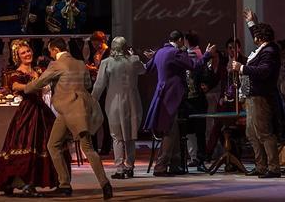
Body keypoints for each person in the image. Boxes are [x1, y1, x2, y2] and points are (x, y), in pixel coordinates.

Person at [19, 37, 112, 200]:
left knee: (87, 148)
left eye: (50, 50)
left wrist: (25, 88)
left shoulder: (56, 64)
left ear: (55, 50)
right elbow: (87, 84)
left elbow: (40, 82)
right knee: (53, 145)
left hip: (72, 110)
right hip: (74, 109)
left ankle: (105, 184)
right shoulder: (80, 63)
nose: (50, 53)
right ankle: (64, 185)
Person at [0, 40, 60, 197]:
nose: (27, 54)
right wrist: (34, 85)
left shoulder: (38, 70)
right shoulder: (16, 74)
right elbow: (16, 87)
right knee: (24, 144)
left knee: (45, 145)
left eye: (28, 51)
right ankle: (23, 182)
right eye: (23, 53)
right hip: (28, 112)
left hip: (42, 111)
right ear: (17, 57)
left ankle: (28, 182)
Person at [143, 30, 214, 176]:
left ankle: (175, 165)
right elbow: (194, 65)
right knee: (170, 131)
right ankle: (160, 167)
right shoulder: (175, 53)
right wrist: (207, 54)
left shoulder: (160, 52)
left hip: (161, 95)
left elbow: (148, 68)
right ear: (180, 40)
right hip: (171, 96)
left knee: (174, 130)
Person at [230, 9, 282, 178]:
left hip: (261, 97)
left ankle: (273, 168)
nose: (254, 38)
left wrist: (242, 68)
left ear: (260, 38)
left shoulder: (269, 51)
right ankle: (261, 166)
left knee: (264, 133)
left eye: (256, 36)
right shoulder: (264, 47)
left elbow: (264, 71)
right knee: (251, 133)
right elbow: (257, 34)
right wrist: (251, 22)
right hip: (253, 96)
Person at [91, 36, 146, 180]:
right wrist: (134, 56)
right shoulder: (134, 60)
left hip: (114, 102)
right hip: (133, 101)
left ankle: (120, 168)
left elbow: (99, 85)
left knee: (117, 137)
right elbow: (143, 70)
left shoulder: (107, 62)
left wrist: (92, 100)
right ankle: (130, 166)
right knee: (131, 135)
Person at [182, 30, 208, 170]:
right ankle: (196, 158)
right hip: (194, 97)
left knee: (197, 131)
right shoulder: (199, 54)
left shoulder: (193, 54)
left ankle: (198, 158)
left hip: (194, 97)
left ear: (187, 41)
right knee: (195, 131)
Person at [86, 31, 111, 155]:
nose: (94, 46)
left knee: (105, 118)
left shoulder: (109, 53)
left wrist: (94, 69)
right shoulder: (95, 53)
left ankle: (106, 147)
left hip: (105, 89)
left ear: (102, 41)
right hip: (95, 86)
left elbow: (108, 71)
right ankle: (94, 147)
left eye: (96, 44)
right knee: (93, 116)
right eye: (93, 44)